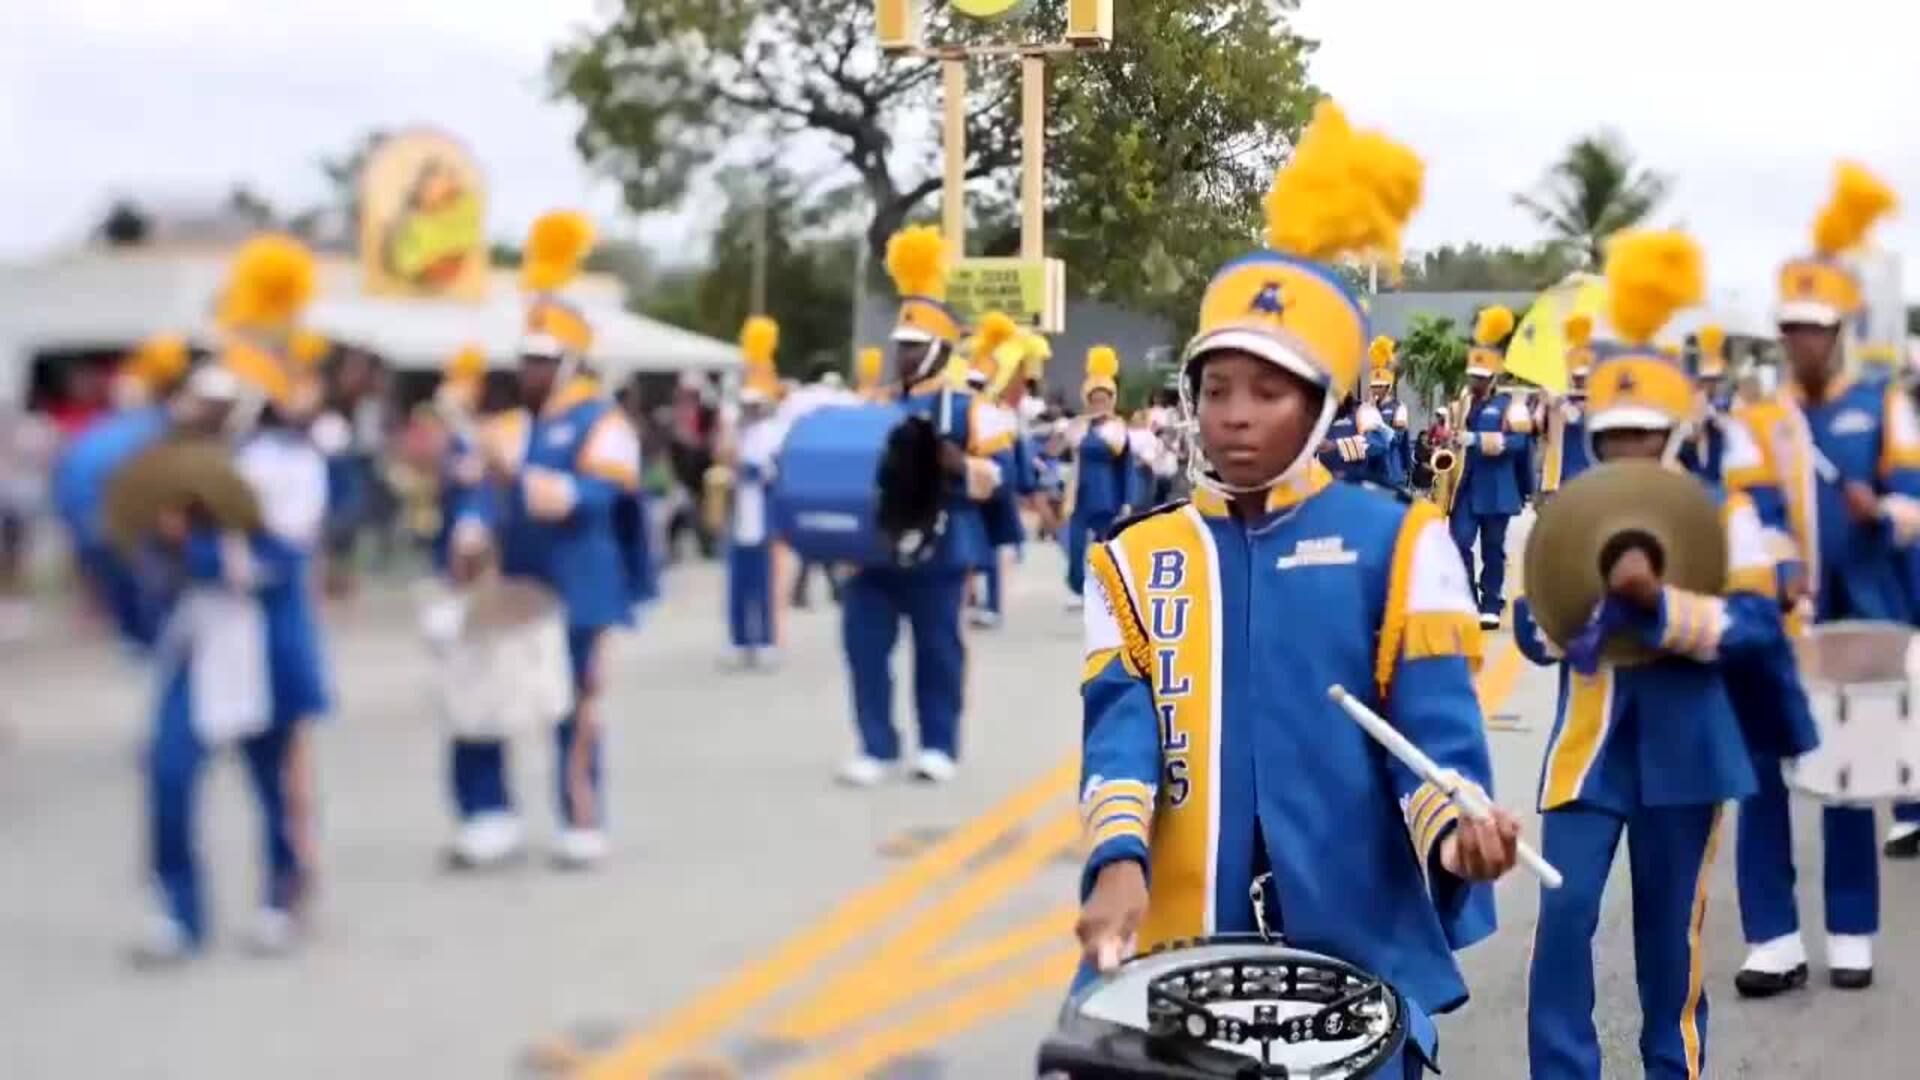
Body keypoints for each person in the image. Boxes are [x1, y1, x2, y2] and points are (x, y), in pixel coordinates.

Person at [1074, 101, 1519, 1079]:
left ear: (1321, 407)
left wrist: (1460, 838)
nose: (1234, 418)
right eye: (1215, 388)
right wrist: (1116, 863)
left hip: (1350, 944)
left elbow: (1435, 743)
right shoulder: (1132, 558)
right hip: (1177, 934)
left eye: (1268, 393)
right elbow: (1120, 733)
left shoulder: (1403, 544)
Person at [1512, 230, 1784, 1079]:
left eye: (1644, 434)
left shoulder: (1722, 512)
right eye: (1614, 434)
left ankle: (1675, 1069)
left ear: (1673, 432)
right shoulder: (1566, 513)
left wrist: (1658, 608)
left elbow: (1756, 628)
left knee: (1672, 945)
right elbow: (1529, 628)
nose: (1627, 449)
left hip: (1687, 756)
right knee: (1562, 923)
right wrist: (1570, 604)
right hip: (1584, 755)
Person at [1732, 162, 1918, 994]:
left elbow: (1916, 505)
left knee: (1851, 771)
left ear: (1839, 331)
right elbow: (1744, 509)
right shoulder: (1756, 418)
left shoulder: (1883, 406)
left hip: (1864, 618)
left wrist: (1878, 506)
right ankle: (1772, 936)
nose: (1802, 341)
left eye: (1816, 328)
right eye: (1792, 330)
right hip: (1781, 618)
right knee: (1761, 776)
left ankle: (1850, 930)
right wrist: (1781, 568)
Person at [130, 234, 332, 963]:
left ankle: (284, 893)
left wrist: (199, 543)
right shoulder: (180, 460)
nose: (207, 413)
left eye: (222, 404)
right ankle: (179, 912)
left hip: (266, 635)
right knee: (168, 767)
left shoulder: (292, 464)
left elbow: (276, 557)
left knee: (274, 780)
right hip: (199, 634)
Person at [445, 210, 649, 870]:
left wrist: (518, 476)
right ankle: (487, 814)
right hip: (511, 586)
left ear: (568, 363)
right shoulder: (505, 425)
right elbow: (479, 495)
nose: (529, 371)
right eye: (525, 359)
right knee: (482, 699)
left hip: (581, 586)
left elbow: (590, 500)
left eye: (542, 361)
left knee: (576, 708)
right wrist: (471, 528)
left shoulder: (604, 422)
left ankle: (580, 817)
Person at [836, 226, 1002, 787]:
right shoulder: (875, 402)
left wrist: (960, 465)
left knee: (938, 650)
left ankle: (938, 743)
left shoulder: (968, 406)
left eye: (911, 345)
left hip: (942, 542)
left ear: (938, 348)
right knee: (864, 647)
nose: (901, 354)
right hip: (877, 544)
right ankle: (876, 744)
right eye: (899, 344)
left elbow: (1001, 479)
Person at [1447, 306, 1531, 629]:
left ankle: (1491, 600)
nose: (1475, 382)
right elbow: (1450, 439)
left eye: (1481, 378)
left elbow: (1520, 444)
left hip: (1497, 488)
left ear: (1494, 378)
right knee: (1459, 542)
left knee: (1493, 548)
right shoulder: (1462, 403)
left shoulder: (1512, 406)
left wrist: (1478, 440)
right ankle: (1467, 597)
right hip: (1465, 487)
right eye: (1472, 377)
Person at [720, 316, 783, 669]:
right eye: (746, 405)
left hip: (763, 513)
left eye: (754, 405)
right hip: (739, 512)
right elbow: (724, 458)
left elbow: (775, 470)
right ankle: (739, 639)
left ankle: (766, 640)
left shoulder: (773, 431)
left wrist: (751, 470)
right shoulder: (740, 431)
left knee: (763, 582)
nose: (750, 410)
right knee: (737, 583)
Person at [1059, 346, 1132, 609]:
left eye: (1103, 399)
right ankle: (1078, 588)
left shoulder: (1117, 426)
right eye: (1094, 400)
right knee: (1075, 545)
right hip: (1080, 492)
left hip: (1106, 493)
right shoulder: (1078, 424)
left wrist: (1127, 499)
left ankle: (1106, 591)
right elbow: (1067, 443)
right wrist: (1080, 427)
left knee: (1106, 549)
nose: (1098, 404)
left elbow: (1111, 449)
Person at [964, 314, 1023, 630]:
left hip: (992, 479)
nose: (971, 389)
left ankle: (991, 604)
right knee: (980, 544)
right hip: (982, 477)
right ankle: (978, 600)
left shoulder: (992, 413)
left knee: (989, 545)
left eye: (976, 385)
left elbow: (1006, 455)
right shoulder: (987, 410)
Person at [1538, 314, 1595, 500]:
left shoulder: (1601, 399)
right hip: (1563, 478)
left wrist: (1562, 404)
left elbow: (1581, 419)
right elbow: (1539, 428)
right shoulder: (1561, 397)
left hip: (1594, 476)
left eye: (1584, 377)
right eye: (1577, 377)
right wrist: (1543, 404)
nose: (1580, 381)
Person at [1368, 335, 1413, 488]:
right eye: (1374, 385)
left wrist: (1379, 424)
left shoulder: (1399, 407)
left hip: (1392, 472)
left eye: (1380, 386)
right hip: (1371, 473)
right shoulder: (1368, 408)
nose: (1376, 389)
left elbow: (1396, 440)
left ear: (1388, 387)